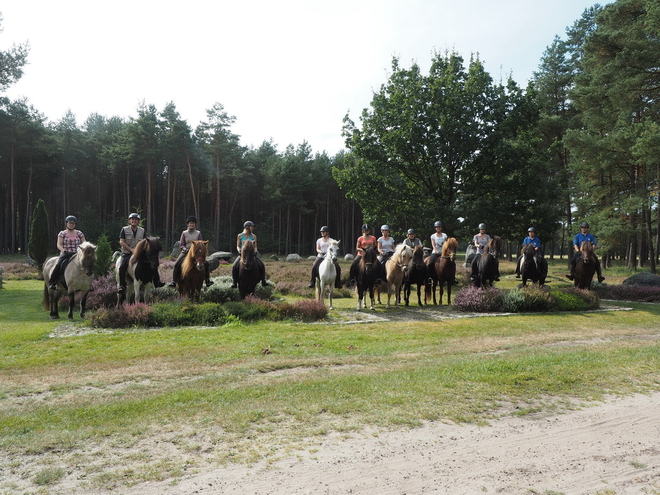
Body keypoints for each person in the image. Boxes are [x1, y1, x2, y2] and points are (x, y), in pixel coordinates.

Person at [117, 213, 164, 293]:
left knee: (153, 264)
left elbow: (145, 242)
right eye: (132, 219)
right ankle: (122, 286)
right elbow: (122, 242)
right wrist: (131, 250)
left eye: (136, 219)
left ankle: (157, 281)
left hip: (138, 253)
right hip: (127, 253)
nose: (134, 221)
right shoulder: (124, 229)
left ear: (138, 221)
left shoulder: (142, 230)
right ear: (129, 221)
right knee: (121, 266)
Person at [168, 216, 214, 289]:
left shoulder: (198, 233)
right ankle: (174, 281)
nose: (191, 225)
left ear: (195, 224)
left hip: (196, 252)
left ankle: (207, 280)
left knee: (206, 264)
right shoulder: (184, 233)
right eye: (190, 223)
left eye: (193, 223)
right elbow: (181, 244)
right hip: (186, 252)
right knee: (177, 264)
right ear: (188, 224)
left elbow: (201, 243)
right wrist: (185, 249)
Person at [47, 215, 86, 290]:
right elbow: (59, 244)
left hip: (77, 255)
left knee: (88, 264)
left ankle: (89, 283)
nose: (72, 225)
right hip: (66, 254)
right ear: (66, 223)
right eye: (70, 223)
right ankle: (52, 282)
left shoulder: (79, 233)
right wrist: (64, 250)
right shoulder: (62, 233)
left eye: (73, 223)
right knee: (58, 265)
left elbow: (84, 243)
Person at [231, 221, 267, 288]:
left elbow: (255, 246)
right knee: (234, 266)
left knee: (261, 265)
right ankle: (234, 282)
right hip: (243, 254)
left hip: (251, 254)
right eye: (251, 227)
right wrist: (239, 251)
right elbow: (238, 246)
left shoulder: (254, 236)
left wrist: (255, 251)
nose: (253, 228)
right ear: (247, 227)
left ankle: (263, 280)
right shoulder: (240, 236)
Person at [426, 221, 458, 285]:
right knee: (430, 263)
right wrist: (436, 250)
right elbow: (433, 245)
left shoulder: (444, 235)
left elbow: (447, 244)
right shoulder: (433, 236)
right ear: (435, 228)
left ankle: (453, 278)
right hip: (435, 252)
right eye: (437, 227)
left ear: (441, 228)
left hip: (444, 253)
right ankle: (429, 277)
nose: (438, 228)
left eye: (439, 227)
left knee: (453, 263)